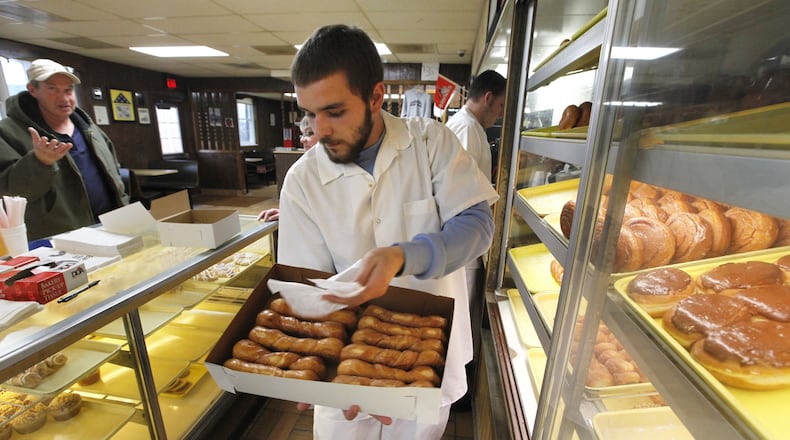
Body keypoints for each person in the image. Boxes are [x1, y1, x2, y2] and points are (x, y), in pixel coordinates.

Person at [278, 24, 498, 439]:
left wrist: (403, 255)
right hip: (346, 372)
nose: (318, 130)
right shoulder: (302, 181)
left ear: (376, 97)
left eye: (335, 111)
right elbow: (308, 284)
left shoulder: (430, 143)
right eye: (310, 113)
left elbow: (476, 225)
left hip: (428, 358)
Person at [0, 59, 128, 240]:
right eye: (52, 89)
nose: (64, 98)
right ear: (32, 90)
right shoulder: (8, 132)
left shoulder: (88, 128)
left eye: (68, 90)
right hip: (61, 239)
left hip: (112, 227)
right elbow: (10, 194)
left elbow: (114, 175)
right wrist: (39, 162)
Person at [444, 68, 506, 411]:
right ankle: (455, 391)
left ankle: (456, 386)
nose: (499, 113)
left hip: (468, 241)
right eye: (499, 107)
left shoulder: (473, 129)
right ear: (487, 98)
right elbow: (462, 194)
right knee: (459, 314)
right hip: (463, 243)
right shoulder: (466, 130)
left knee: (463, 314)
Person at [256, 117, 319, 223]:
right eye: (302, 134)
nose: (302, 139)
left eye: (310, 133)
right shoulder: (303, 168)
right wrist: (287, 211)